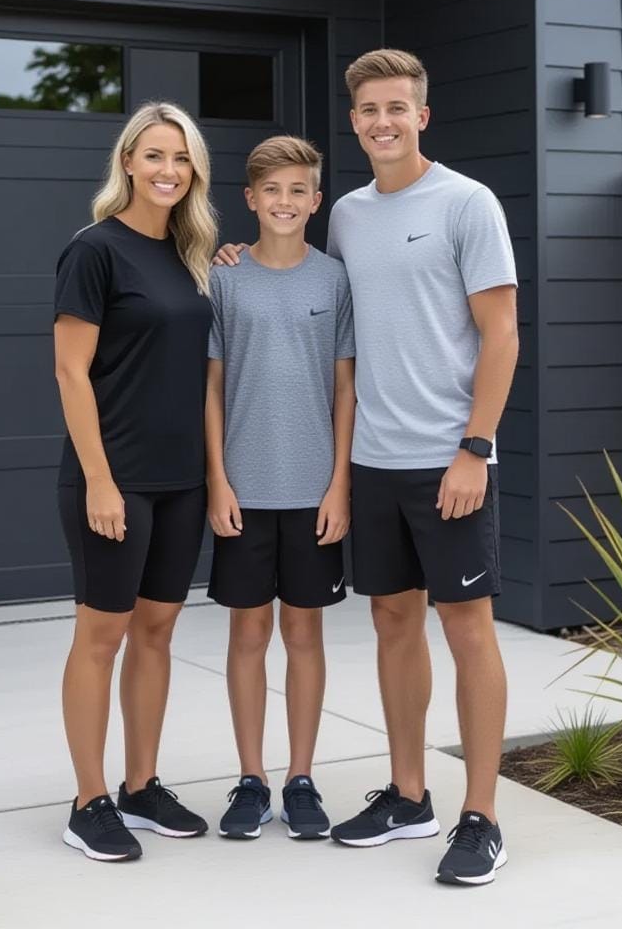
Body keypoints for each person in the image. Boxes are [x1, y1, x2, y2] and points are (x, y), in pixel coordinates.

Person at [216, 50, 518, 886]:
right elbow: (299, 279)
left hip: (448, 459)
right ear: (353, 122)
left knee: (468, 630)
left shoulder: (466, 203)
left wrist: (475, 447)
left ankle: (482, 814)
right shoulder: (343, 214)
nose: (382, 121)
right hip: (373, 459)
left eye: (397, 107)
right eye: (367, 110)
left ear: (422, 114)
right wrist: (240, 256)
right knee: (392, 623)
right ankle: (409, 792)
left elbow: (503, 334)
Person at [53, 101, 217, 862]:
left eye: (180, 159)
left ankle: (140, 785)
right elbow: (70, 371)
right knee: (102, 636)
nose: (167, 170)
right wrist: (98, 480)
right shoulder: (95, 250)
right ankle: (88, 801)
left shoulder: (190, 256)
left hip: (180, 481)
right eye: (154, 155)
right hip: (112, 480)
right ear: (127, 161)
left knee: (156, 632)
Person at [206, 135, 356, 841]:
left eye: (299, 191)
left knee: (304, 633)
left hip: (311, 491)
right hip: (243, 487)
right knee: (247, 632)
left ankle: (300, 777)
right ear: (250, 199)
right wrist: (217, 480)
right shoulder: (225, 279)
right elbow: (210, 389)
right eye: (273, 191)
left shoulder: (334, 280)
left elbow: (346, 388)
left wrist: (339, 486)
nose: (285, 202)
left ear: (315, 200)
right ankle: (250, 779)